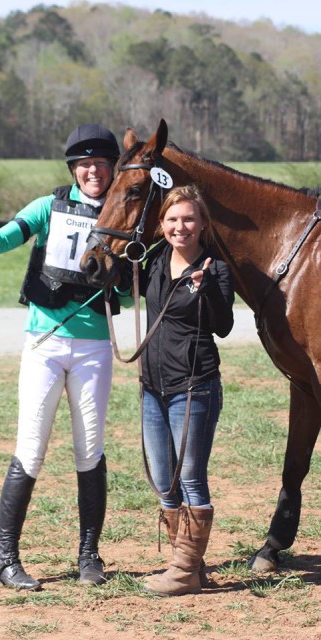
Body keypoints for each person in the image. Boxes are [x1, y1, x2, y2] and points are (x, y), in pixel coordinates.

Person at [0, 124, 133, 591]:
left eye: (101, 164)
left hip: (95, 347)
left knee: (90, 449)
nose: (92, 171)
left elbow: (124, 287)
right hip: (45, 343)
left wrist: (119, 272)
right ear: (73, 170)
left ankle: (89, 557)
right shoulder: (48, 206)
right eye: (84, 165)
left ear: (111, 170)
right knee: (31, 447)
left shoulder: (119, 215)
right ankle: (7, 559)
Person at [139, 184, 234, 597]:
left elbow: (224, 326)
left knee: (191, 477)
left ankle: (182, 574)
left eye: (189, 219)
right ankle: (188, 565)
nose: (181, 226)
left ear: (203, 224)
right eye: (173, 219)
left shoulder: (216, 268)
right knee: (164, 481)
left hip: (194, 388)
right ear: (161, 225)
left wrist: (207, 287)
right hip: (152, 388)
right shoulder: (153, 260)